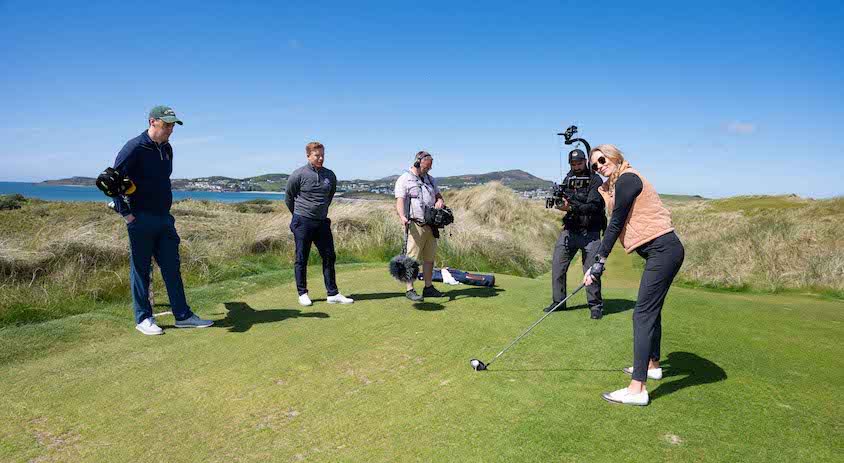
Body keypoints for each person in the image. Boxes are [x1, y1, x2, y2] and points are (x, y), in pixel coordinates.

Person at [583, 144, 685, 406]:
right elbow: (609, 201)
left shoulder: (628, 179)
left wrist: (598, 262)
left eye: (602, 160)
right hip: (662, 251)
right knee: (652, 310)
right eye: (595, 165)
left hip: (663, 250)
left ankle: (637, 388)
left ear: (615, 157)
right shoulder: (618, 183)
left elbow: (615, 223)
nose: (599, 167)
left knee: (643, 314)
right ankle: (653, 365)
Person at [113, 105, 214, 335]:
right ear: (152, 122)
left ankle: (183, 315)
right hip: (140, 218)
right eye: (166, 124)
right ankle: (143, 318)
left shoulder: (167, 149)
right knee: (140, 269)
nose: (170, 129)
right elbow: (110, 182)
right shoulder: (134, 148)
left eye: (172, 125)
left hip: (164, 218)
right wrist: (127, 215)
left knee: (172, 267)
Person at [285, 142, 354, 306]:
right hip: (302, 221)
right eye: (317, 155)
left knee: (329, 256)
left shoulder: (330, 175)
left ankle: (333, 293)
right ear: (308, 156)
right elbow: (289, 197)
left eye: (322, 155)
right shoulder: (299, 174)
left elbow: (329, 196)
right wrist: (299, 215)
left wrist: (320, 212)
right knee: (302, 258)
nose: (321, 158)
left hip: (322, 222)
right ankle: (302, 293)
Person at [546, 149, 606, 319]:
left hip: (591, 232)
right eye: (573, 164)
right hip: (570, 230)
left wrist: (571, 206)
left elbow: (594, 206)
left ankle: (595, 305)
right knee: (558, 266)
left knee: (591, 271)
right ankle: (558, 302)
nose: (576, 166)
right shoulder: (568, 178)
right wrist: (562, 202)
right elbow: (566, 199)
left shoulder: (595, 179)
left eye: (579, 163)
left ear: (585, 161)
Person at [394, 151, 446, 302]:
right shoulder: (405, 179)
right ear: (418, 162)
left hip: (432, 225)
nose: (427, 170)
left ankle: (428, 287)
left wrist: (439, 201)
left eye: (430, 167)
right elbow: (400, 200)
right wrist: (402, 216)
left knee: (429, 258)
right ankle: (410, 289)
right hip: (415, 224)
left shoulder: (431, 180)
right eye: (426, 167)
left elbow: (439, 196)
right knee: (412, 259)